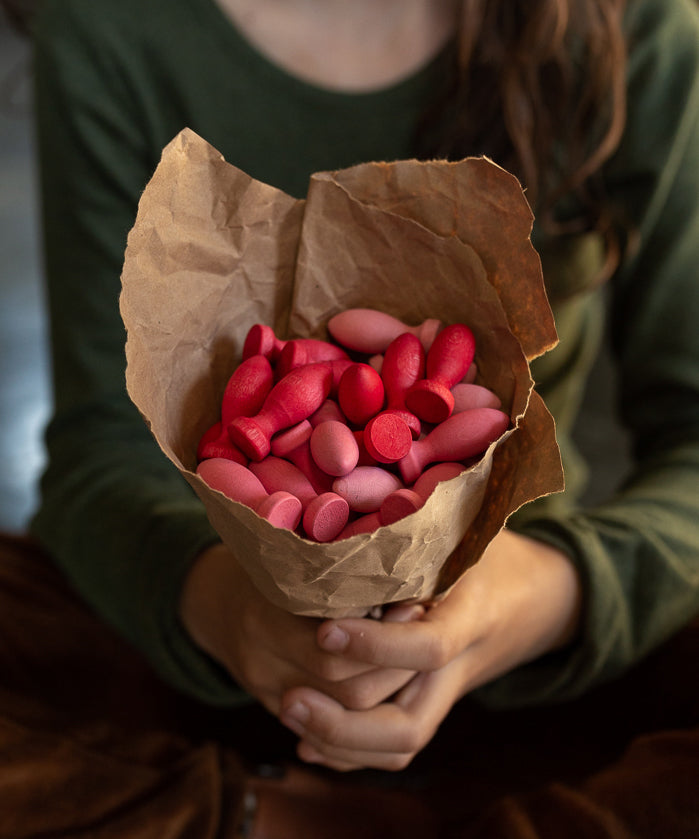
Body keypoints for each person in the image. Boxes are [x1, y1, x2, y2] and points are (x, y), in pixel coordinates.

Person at [3, 0, 698, 831]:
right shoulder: (112, 26)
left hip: (544, 646)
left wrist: (544, 596)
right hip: (196, 658)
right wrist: (228, 609)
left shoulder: (634, 28)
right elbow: (97, 457)